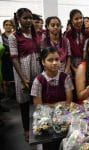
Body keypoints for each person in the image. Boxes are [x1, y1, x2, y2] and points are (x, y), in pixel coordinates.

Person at [8, 8, 41, 141]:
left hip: (36, 68)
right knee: (24, 102)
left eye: (30, 18)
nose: (28, 21)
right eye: (25, 18)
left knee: (37, 99)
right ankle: (26, 129)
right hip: (23, 70)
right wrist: (23, 78)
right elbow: (14, 59)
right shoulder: (13, 36)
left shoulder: (35, 34)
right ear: (19, 20)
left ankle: (39, 126)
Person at [65, 9, 89, 73]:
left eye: (81, 18)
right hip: (73, 65)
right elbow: (68, 54)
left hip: (88, 64)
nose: (79, 20)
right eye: (76, 19)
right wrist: (74, 69)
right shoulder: (68, 35)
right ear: (72, 21)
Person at [1, 20, 15, 100]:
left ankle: (14, 94)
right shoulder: (1, 36)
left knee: (14, 77)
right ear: (4, 26)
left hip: (13, 59)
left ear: (12, 26)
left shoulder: (14, 36)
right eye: (6, 25)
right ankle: (7, 95)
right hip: (4, 59)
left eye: (10, 25)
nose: (8, 26)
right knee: (6, 78)